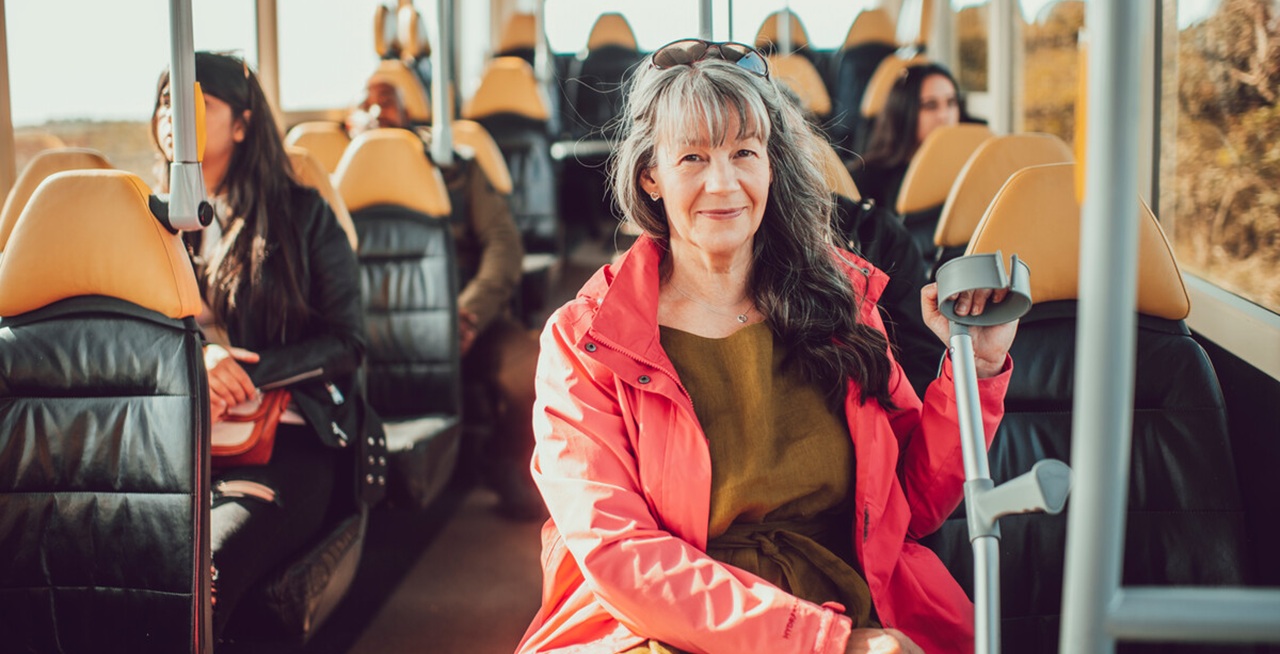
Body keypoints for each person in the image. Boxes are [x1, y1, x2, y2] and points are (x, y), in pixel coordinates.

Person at [516, 39, 1017, 654]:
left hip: (849, 599)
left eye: (743, 152)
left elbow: (908, 506)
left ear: (772, 165)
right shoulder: (583, 341)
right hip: (663, 627)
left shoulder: (840, 303)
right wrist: (829, 644)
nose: (723, 183)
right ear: (651, 175)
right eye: (693, 157)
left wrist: (981, 366)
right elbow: (622, 554)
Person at [152, 52, 374, 640]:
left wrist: (246, 371)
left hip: (292, 438)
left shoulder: (303, 217)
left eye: (193, 104)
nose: (172, 115)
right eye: (165, 102)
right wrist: (198, 358)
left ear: (243, 125)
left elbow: (348, 340)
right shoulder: (161, 223)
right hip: (188, 441)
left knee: (205, 571)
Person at [346, 77, 544, 520]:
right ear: (348, 122)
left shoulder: (457, 172)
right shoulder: (328, 186)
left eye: (389, 104)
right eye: (366, 105)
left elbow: (503, 246)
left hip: (465, 322)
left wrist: (468, 313)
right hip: (365, 331)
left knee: (530, 368)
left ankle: (507, 459)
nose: (378, 114)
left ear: (409, 114)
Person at [849, 62, 969, 212]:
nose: (944, 115)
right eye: (930, 105)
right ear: (904, 112)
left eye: (951, 103)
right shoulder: (865, 179)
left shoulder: (969, 169)